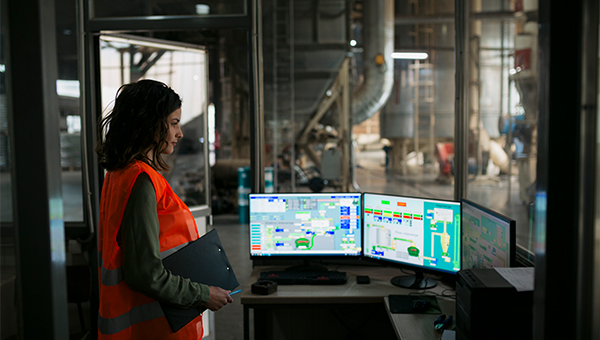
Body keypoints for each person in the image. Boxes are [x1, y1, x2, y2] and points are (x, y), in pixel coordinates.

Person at [95, 79, 232, 339]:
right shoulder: (140, 180)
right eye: (173, 123)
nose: (179, 133)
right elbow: (145, 274)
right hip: (155, 328)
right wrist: (204, 294)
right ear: (149, 124)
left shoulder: (120, 174)